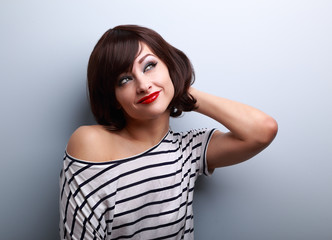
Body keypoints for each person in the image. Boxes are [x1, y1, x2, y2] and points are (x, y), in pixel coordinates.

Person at [59, 25, 278, 240]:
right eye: (124, 80)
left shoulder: (188, 150)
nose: (143, 85)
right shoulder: (92, 142)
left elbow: (262, 130)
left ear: (169, 67)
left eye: (149, 66)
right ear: (114, 99)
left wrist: (180, 88)